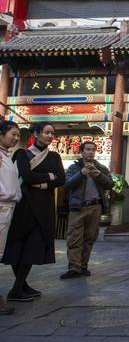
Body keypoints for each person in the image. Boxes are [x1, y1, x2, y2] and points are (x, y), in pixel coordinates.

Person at [3, 122, 65, 302]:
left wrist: (40, 182)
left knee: (34, 245)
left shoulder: (54, 156)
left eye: (52, 133)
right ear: (36, 134)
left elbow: (61, 178)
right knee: (17, 244)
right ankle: (19, 287)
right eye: (46, 132)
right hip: (25, 204)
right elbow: (27, 177)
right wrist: (49, 178)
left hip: (44, 206)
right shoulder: (22, 153)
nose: (50, 135)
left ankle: (19, 286)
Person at [61, 141, 114, 279]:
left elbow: (110, 184)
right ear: (82, 151)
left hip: (95, 206)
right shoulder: (73, 167)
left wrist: (99, 175)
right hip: (78, 206)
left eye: (93, 150)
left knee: (90, 237)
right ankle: (74, 267)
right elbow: (66, 185)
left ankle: (83, 266)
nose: (90, 152)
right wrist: (81, 173)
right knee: (74, 237)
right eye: (88, 149)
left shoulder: (101, 168)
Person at [0, 120, 21, 314]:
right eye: (13, 134)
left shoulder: (6, 155)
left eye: (17, 136)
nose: (15, 138)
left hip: (8, 208)